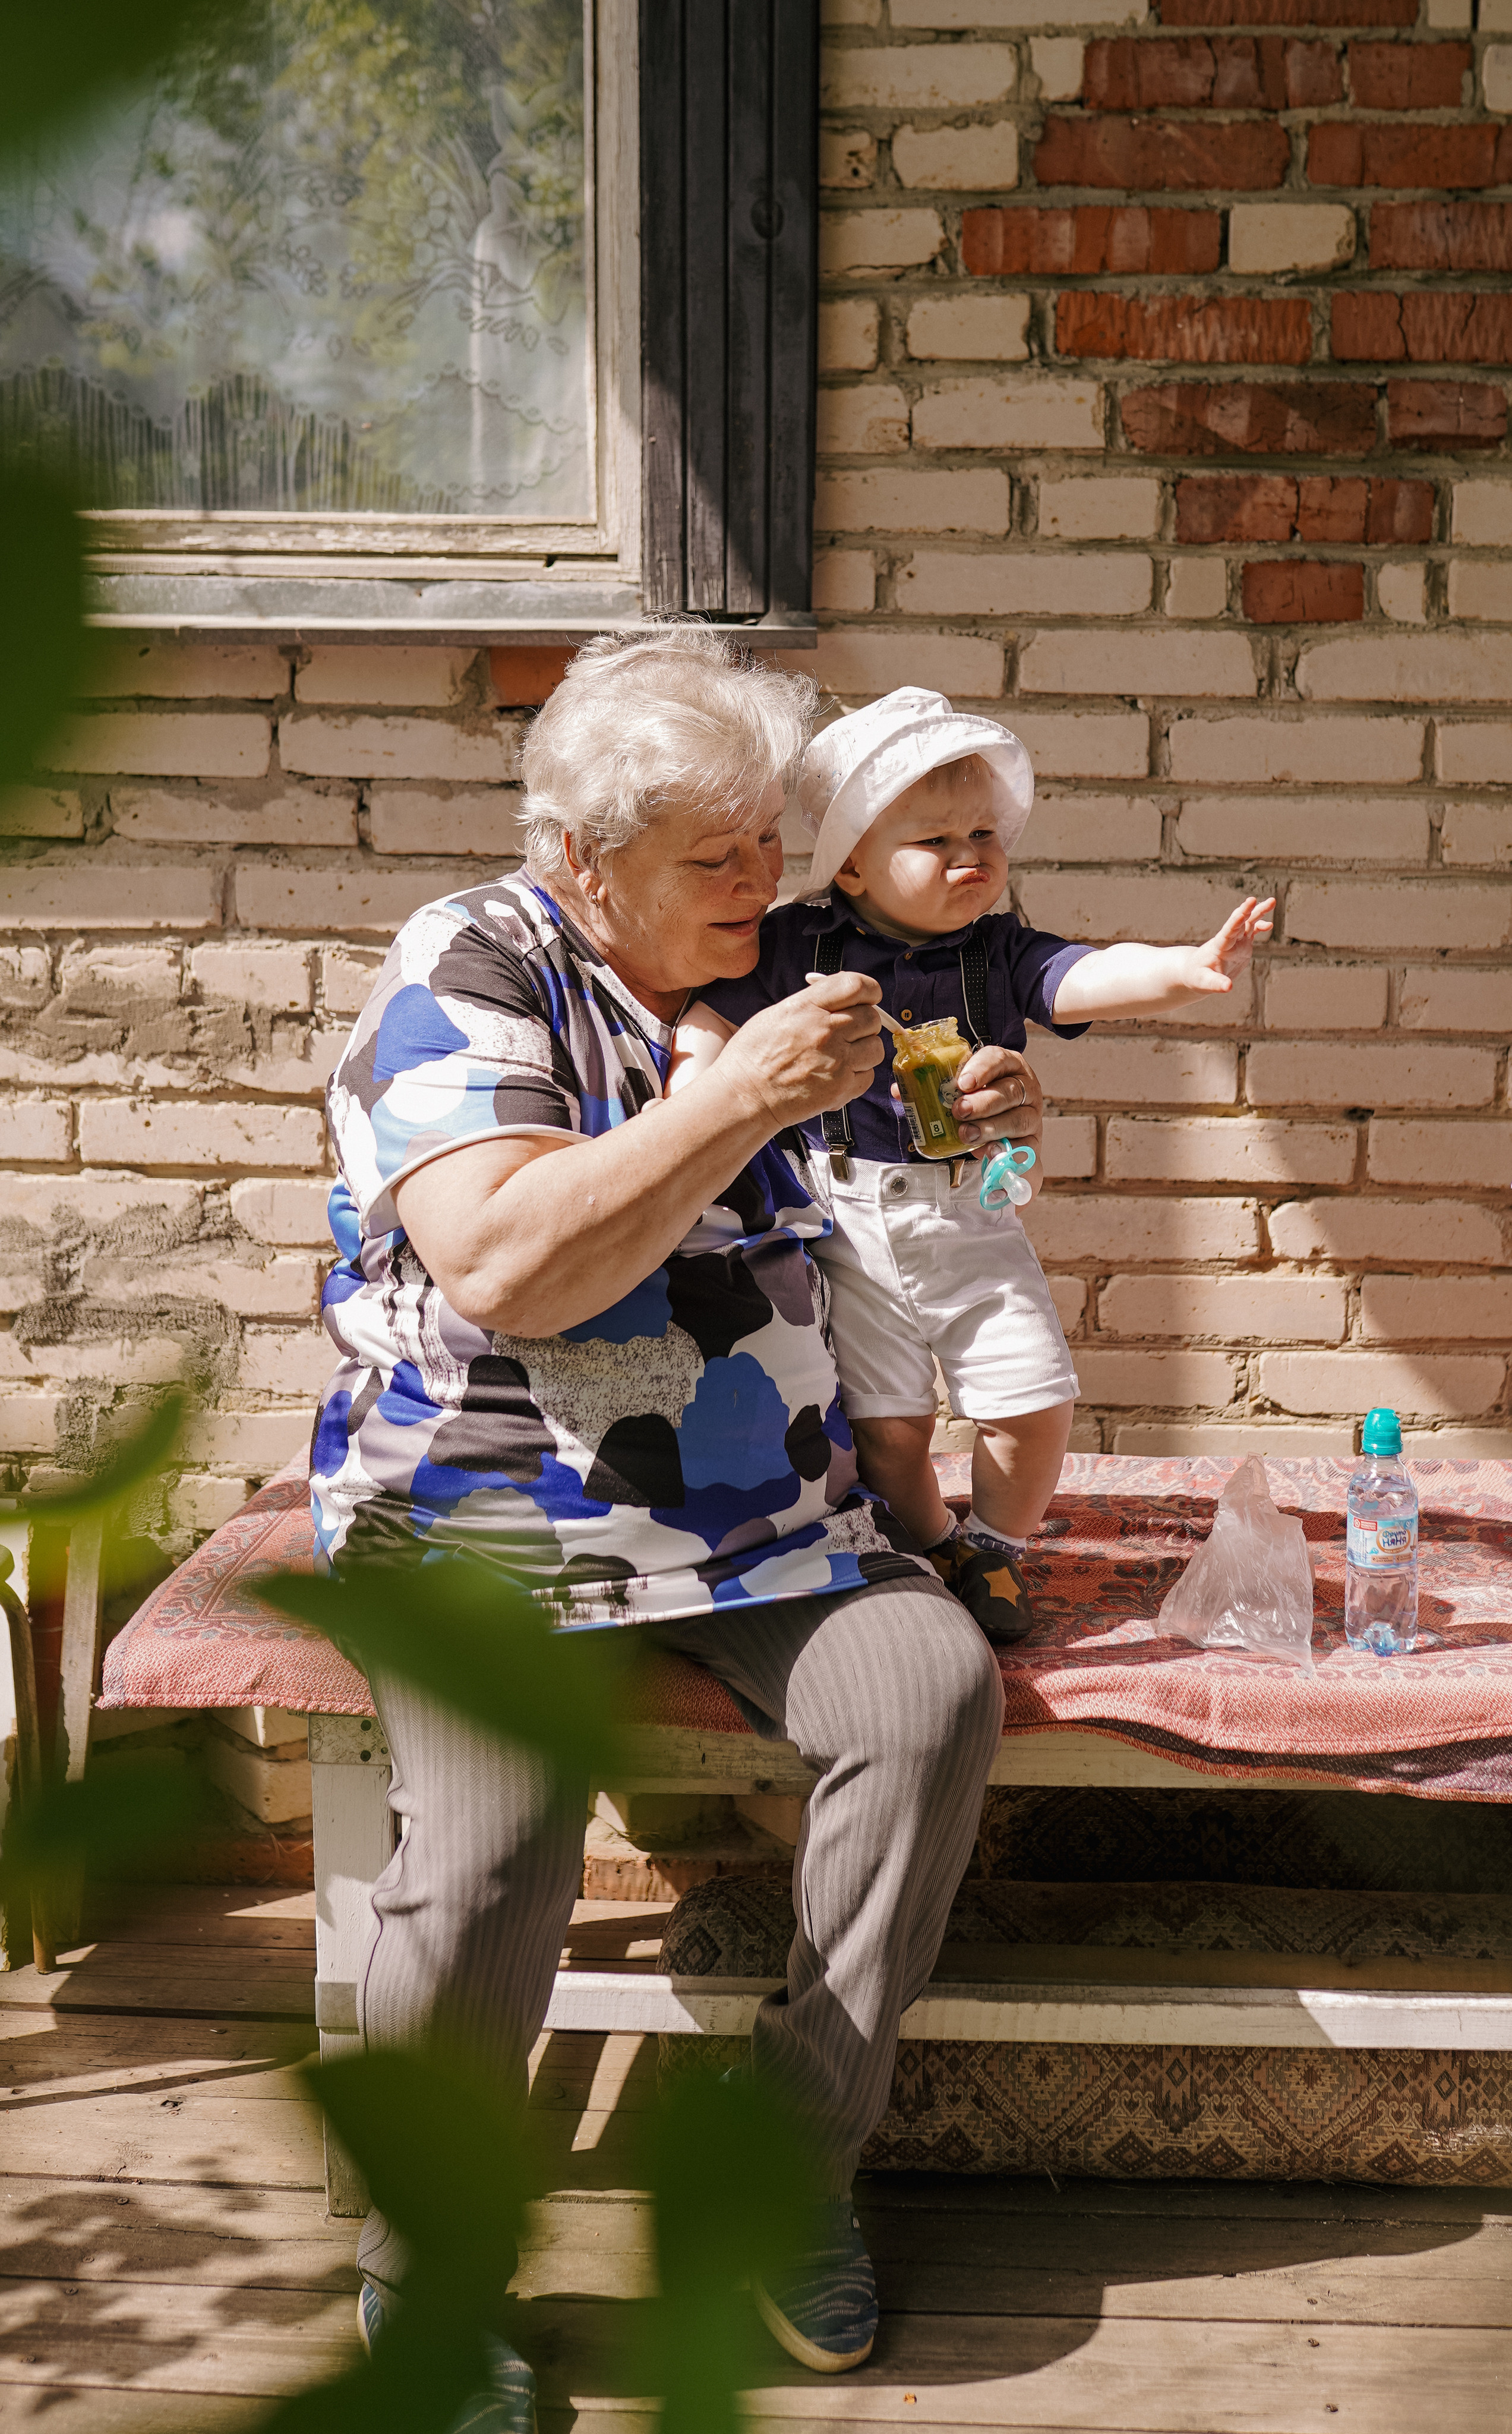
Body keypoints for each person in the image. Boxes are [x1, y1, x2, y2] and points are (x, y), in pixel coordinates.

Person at [311, 633, 1044, 2432]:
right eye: (717, 856)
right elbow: (502, 1262)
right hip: (494, 1515)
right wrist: (728, 1097)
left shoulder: (779, 965)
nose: (763, 882)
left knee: (925, 1691)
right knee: (486, 1866)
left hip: (767, 1520)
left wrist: (992, 1151)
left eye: (766, 845)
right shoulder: (471, 968)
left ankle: (784, 2158)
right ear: (586, 861)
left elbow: (903, 1219)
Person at [676, 687, 1273, 1645]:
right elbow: (715, 1014)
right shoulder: (797, 942)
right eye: (937, 842)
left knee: (1034, 1401)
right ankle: (927, 1543)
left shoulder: (998, 949)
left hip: (970, 1212)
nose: (972, 857)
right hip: (849, 1225)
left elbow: (1084, 973)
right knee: (890, 1428)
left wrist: (1184, 969)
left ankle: (994, 1544)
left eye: (984, 834)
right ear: (855, 865)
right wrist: (697, 1077)